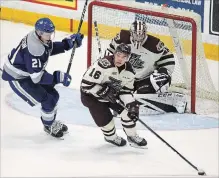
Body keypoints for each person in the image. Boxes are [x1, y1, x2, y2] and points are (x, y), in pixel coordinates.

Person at [1, 17, 84, 138]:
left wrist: (66, 44)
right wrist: (57, 77)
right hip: (18, 78)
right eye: (47, 34)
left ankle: (49, 123)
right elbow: (37, 78)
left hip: (27, 73)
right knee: (48, 100)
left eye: (51, 33)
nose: (50, 36)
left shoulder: (38, 38)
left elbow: (48, 49)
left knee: (54, 95)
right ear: (39, 33)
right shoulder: (34, 48)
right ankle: (49, 126)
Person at [105, 20, 187, 114]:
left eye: (141, 34)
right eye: (136, 34)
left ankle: (163, 100)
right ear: (131, 33)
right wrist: (107, 69)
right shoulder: (122, 38)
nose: (138, 37)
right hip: (125, 77)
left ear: (145, 33)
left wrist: (164, 72)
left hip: (145, 79)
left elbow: (168, 59)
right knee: (110, 91)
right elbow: (110, 51)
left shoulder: (155, 44)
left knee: (143, 93)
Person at [80, 43, 147, 148]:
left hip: (112, 95)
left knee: (128, 113)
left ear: (128, 58)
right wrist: (102, 91)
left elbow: (125, 91)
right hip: (92, 96)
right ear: (114, 54)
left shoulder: (130, 72)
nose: (120, 59)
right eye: (118, 55)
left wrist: (131, 104)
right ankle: (110, 137)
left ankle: (132, 136)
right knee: (107, 121)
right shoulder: (103, 65)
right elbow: (85, 84)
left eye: (124, 57)